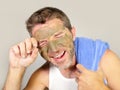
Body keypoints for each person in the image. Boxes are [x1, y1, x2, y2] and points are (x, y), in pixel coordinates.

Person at [3, 7, 120, 90]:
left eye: (58, 36)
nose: (54, 50)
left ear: (73, 33)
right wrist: (16, 68)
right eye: (43, 43)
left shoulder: (105, 60)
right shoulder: (43, 76)